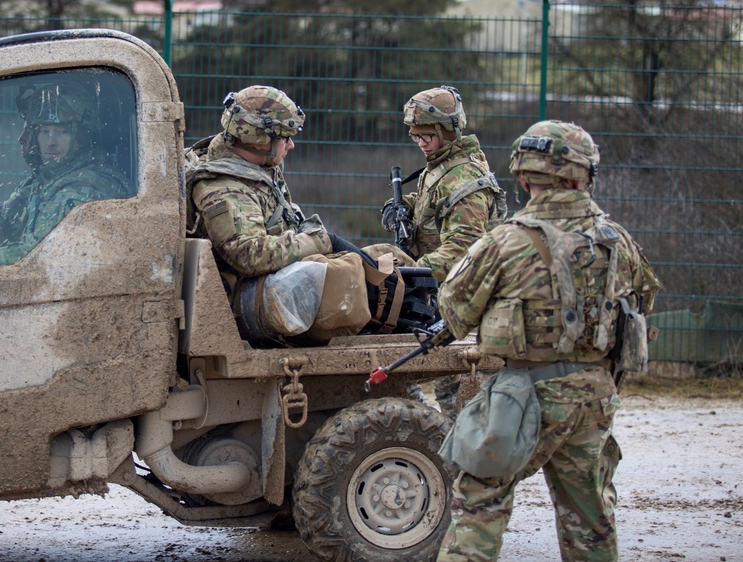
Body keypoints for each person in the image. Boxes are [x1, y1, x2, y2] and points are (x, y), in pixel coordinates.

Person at [434, 120, 661, 562]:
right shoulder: (618, 242)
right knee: (590, 521)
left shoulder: (503, 242)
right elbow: (643, 299)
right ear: (584, 175)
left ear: (522, 175)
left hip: (520, 400)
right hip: (594, 399)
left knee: (479, 507)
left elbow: (454, 311)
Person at [187, 85, 428, 347]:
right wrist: (319, 242)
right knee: (343, 279)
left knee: (388, 257)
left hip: (276, 279)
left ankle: (422, 311)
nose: (291, 144)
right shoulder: (223, 188)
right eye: (285, 137)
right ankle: (408, 325)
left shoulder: (257, 167)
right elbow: (250, 256)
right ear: (259, 139)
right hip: (251, 299)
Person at [375, 86, 506, 417]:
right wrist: (400, 206)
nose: (420, 143)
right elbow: (428, 208)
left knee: (457, 387)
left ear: (447, 131)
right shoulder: (441, 165)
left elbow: (464, 248)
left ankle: (459, 455)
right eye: (415, 135)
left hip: (460, 297)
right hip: (438, 290)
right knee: (405, 374)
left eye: (427, 135)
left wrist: (410, 275)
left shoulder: (463, 176)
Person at [0, 79, 129, 268]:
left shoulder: (83, 187)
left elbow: (32, 257)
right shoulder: (49, 178)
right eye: (44, 131)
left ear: (80, 136)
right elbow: (0, 230)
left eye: (62, 132)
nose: (51, 142)